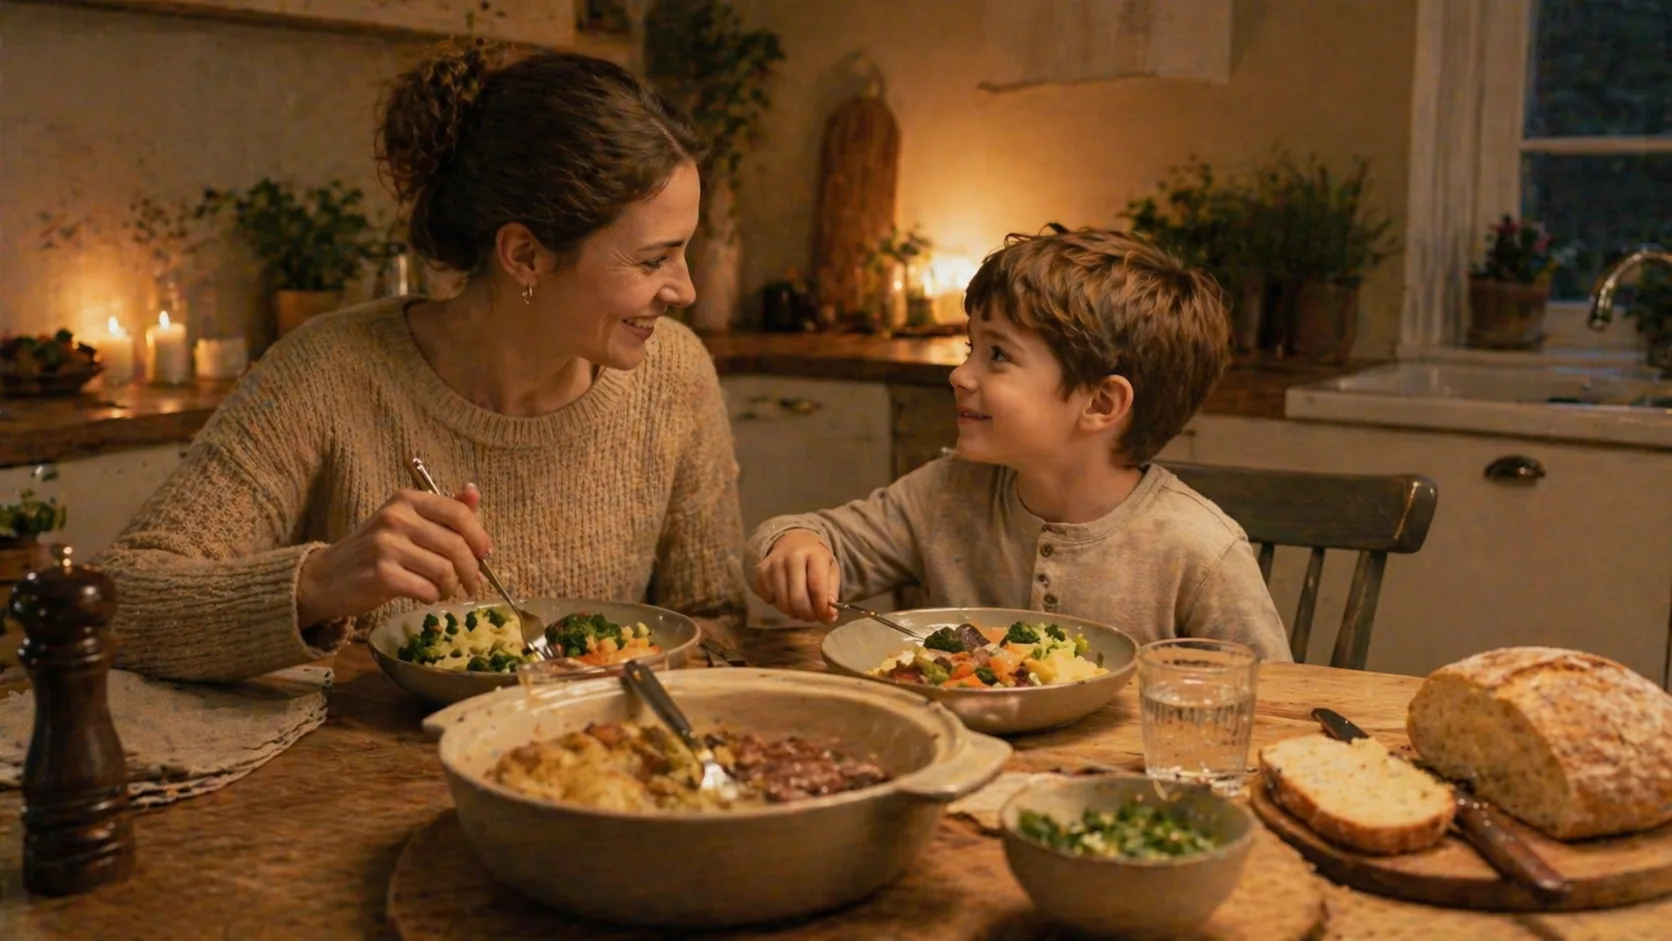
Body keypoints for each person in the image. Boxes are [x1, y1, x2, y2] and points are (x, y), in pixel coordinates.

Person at [97, 42, 746, 682]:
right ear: (524, 254)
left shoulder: (676, 375)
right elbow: (117, 602)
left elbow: (712, 623)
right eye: (653, 259)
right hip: (363, 775)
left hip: (594, 773)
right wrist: (316, 583)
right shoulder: (326, 372)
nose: (684, 289)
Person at [748, 228, 1291, 660]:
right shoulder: (944, 495)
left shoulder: (1198, 550)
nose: (961, 375)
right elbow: (797, 538)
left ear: (1100, 404)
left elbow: (1273, 702)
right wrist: (795, 545)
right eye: (971, 348)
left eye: (998, 356)